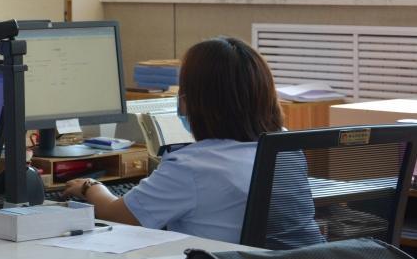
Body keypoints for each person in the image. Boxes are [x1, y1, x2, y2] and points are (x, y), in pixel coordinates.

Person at [64, 36, 322, 247]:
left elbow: (118, 215)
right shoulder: (283, 146)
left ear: (191, 102)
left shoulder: (193, 165)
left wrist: (89, 186)